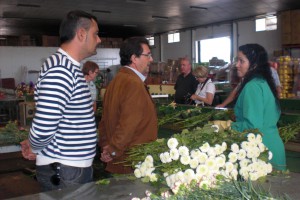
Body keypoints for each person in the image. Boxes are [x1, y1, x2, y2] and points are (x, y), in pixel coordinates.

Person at [20, 10, 101, 191]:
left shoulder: (68, 68)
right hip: (66, 170)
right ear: (81, 34)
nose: (99, 39)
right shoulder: (61, 70)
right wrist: (34, 146)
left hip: (69, 168)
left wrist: (35, 145)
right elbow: (45, 123)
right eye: (95, 34)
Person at [98, 37, 158, 174]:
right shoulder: (133, 84)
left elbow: (104, 121)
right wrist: (112, 151)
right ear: (134, 58)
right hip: (131, 162)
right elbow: (128, 125)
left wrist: (106, 147)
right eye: (147, 55)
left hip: (119, 160)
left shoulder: (116, 81)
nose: (151, 59)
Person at [230, 43, 286, 171]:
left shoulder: (253, 86)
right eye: (237, 60)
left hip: (263, 152)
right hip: (271, 146)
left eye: (241, 61)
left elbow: (252, 126)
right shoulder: (263, 82)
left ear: (254, 64)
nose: (237, 65)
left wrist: (229, 126)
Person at [216, 63, 282, 108]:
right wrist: (223, 104)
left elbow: (278, 88)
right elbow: (235, 91)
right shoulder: (249, 73)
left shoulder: (271, 71)